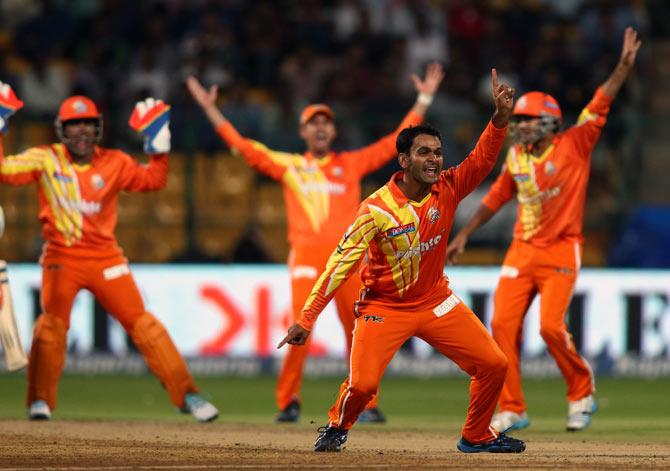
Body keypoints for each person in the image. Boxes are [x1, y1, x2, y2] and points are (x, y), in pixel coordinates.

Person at [278, 70, 525, 454]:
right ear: (404, 159)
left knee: (495, 364)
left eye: (438, 153)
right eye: (424, 153)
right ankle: (337, 425)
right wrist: (306, 318)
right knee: (361, 386)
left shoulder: (448, 186)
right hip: (383, 308)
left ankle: (476, 435)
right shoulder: (374, 209)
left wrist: (499, 120)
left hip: (435, 301)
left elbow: (481, 160)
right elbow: (339, 265)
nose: (434, 160)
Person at [188, 63, 444, 423]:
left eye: (326, 122)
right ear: (303, 131)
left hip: (352, 262)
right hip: (308, 259)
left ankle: (364, 403)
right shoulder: (291, 166)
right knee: (300, 326)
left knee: (359, 332)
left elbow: (394, 143)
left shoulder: (351, 164)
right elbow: (244, 149)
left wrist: (425, 98)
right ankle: (288, 401)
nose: (320, 128)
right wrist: (210, 109)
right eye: (313, 123)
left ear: (334, 130)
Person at [445, 27, 642, 433]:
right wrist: (464, 235)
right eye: (518, 121)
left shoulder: (576, 143)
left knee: (551, 328)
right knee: (500, 328)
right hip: (521, 251)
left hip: (560, 250)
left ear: (551, 123)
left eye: (529, 121)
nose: (521, 127)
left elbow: (600, 102)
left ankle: (582, 391)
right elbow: (496, 197)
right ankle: (513, 406)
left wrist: (622, 68)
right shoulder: (515, 156)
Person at [0, 83, 218, 423]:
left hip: (106, 259)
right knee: (51, 327)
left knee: (144, 324)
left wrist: (159, 147)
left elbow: (153, 181)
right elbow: (4, 171)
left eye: (88, 123)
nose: (82, 130)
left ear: (98, 127)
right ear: (62, 129)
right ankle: (40, 402)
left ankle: (187, 395)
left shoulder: (115, 162)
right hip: (62, 258)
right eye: (74, 124)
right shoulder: (46, 158)